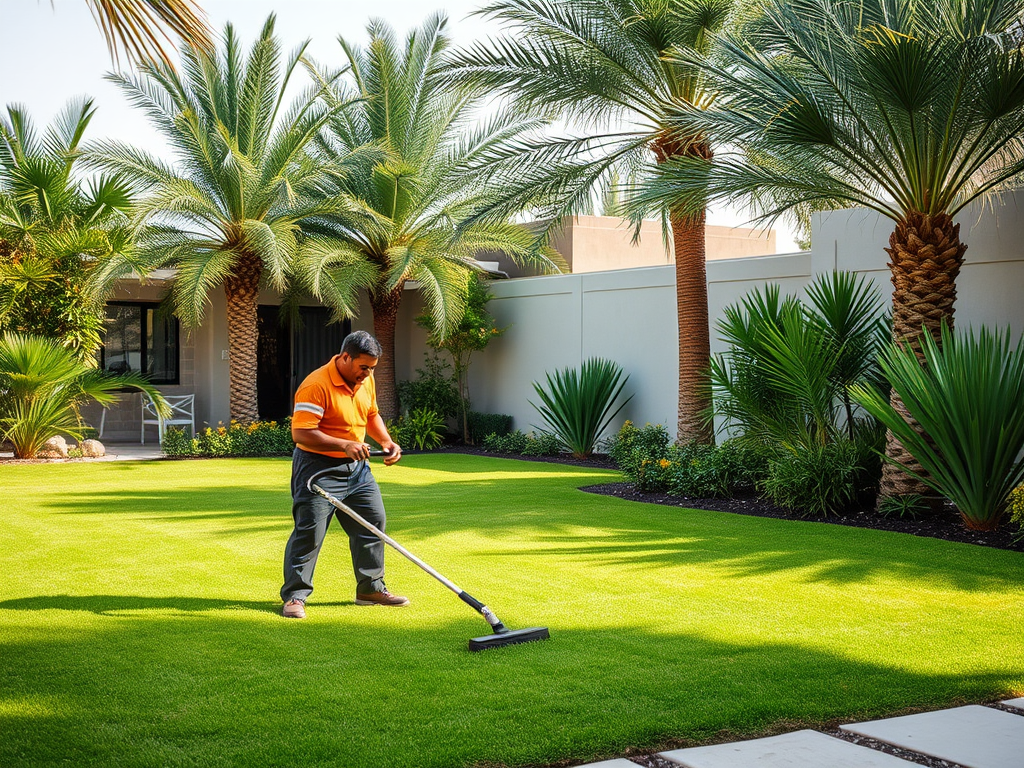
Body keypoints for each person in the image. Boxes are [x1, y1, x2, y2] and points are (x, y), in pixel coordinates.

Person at [280, 330, 405, 619]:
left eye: (372, 368)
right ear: (345, 357)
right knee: (310, 533)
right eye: (363, 367)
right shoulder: (315, 385)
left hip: (358, 470)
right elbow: (301, 432)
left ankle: (370, 589)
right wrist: (344, 444)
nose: (367, 373)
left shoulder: (366, 380)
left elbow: (371, 414)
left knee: (373, 523)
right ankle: (295, 597)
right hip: (317, 469)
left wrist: (385, 441)